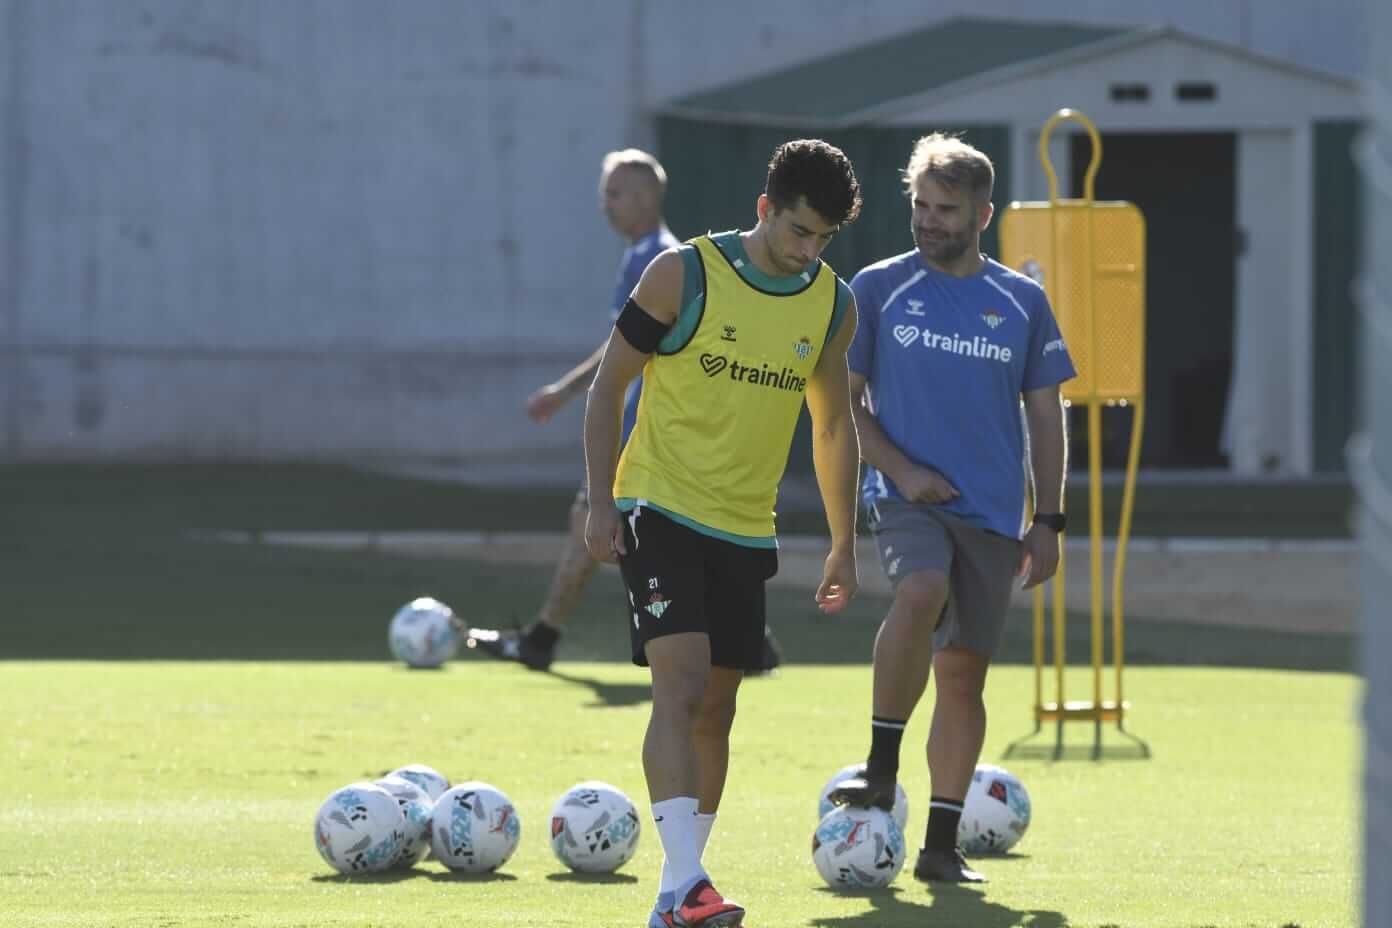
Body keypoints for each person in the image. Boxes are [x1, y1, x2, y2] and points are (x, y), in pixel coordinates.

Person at [585, 139, 862, 928]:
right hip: (659, 503)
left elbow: (834, 425)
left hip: (745, 525)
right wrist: (605, 503)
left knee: (718, 707)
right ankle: (686, 885)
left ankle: (676, 897)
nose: (808, 251)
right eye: (799, 231)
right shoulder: (684, 275)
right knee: (677, 686)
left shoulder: (833, 304)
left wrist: (843, 542)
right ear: (765, 209)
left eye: (824, 239)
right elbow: (608, 389)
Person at [828, 133, 1076, 884]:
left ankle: (940, 847)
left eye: (945, 210)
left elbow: (1044, 414)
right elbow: (840, 401)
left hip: (996, 517)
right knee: (920, 587)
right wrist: (900, 470)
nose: (929, 221)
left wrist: (1050, 519)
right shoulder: (876, 288)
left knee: (964, 676)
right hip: (906, 500)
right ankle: (878, 766)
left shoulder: (1022, 302)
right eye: (920, 207)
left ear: (982, 214)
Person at [464, 149, 784, 674]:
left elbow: (619, 354)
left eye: (613, 193)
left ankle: (543, 640)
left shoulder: (654, 258)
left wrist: (562, 392)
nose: (604, 204)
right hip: (655, 433)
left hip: (641, 435)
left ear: (645, 197)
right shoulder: (652, 254)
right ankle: (545, 638)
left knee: (612, 531)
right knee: (612, 533)